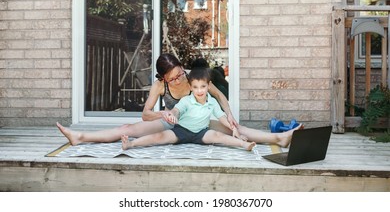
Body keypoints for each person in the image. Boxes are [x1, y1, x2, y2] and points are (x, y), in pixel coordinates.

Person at [57, 53, 301, 148]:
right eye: (173, 78)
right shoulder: (159, 85)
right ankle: (81, 137)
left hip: (200, 121)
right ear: (163, 78)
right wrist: (163, 114)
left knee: (237, 128)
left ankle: (279, 138)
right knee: (127, 129)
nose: (179, 79)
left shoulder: (195, 78)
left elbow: (219, 96)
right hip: (172, 122)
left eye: (180, 74)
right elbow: (145, 113)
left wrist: (229, 115)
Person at [121, 68, 256, 151]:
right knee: (159, 137)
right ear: (190, 88)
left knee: (218, 136)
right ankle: (131, 144)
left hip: (201, 133)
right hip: (181, 131)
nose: (199, 90)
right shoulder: (187, 100)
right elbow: (177, 110)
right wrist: (172, 114)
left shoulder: (212, 102)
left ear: (208, 86)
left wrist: (234, 129)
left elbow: (222, 118)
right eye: (196, 87)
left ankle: (243, 145)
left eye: (203, 87)